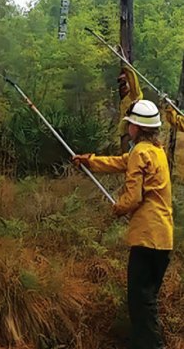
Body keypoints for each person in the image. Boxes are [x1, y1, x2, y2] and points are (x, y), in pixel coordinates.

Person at [73, 99, 173, 349]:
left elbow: (133, 197)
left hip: (146, 237)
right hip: (163, 239)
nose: (127, 127)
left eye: (130, 124)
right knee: (147, 300)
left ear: (137, 128)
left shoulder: (140, 152)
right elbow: (120, 162)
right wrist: (91, 161)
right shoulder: (155, 151)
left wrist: (117, 208)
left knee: (140, 301)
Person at [118, 63, 143, 152]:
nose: (123, 84)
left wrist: (127, 69)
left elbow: (133, 83)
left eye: (125, 81)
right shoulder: (124, 100)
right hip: (124, 135)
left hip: (131, 135)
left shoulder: (134, 95)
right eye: (121, 81)